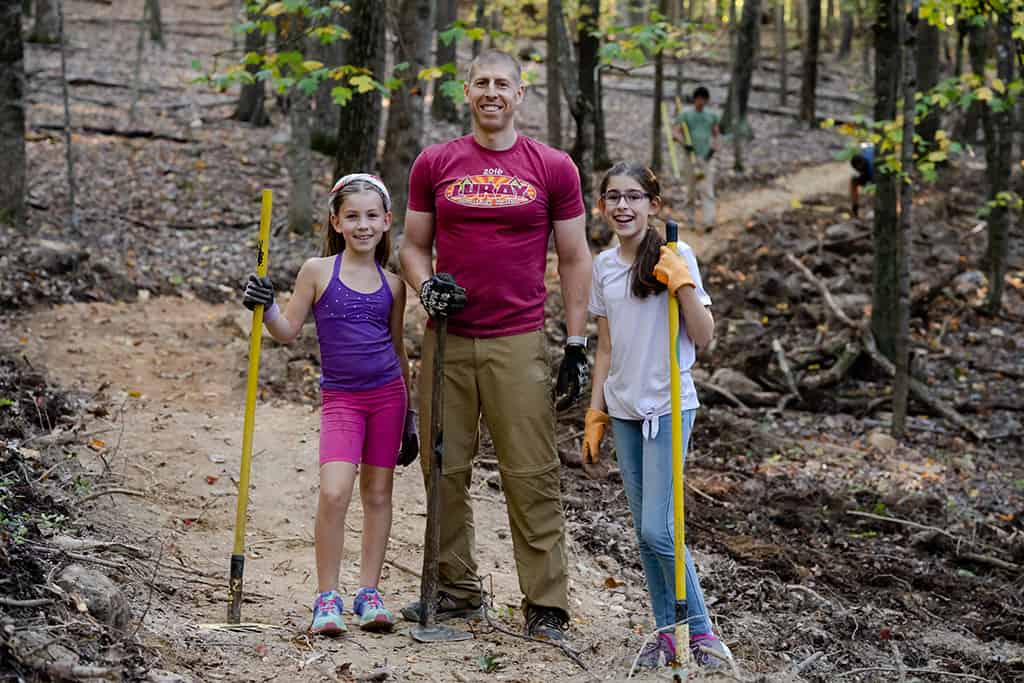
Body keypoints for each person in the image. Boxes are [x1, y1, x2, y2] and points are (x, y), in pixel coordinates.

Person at [399, 49, 592, 642]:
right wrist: (425, 286)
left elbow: (576, 255)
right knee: (444, 467)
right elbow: (411, 247)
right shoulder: (435, 163)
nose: (491, 92)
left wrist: (577, 342)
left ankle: (546, 604)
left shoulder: (554, 166)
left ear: (520, 93)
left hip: (518, 339)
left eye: (502, 83)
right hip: (448, 339)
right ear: (466, 91)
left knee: (530, 472)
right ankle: (455, 592)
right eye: (481, 82)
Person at [242, 174, 418, 636]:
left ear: (387, 222)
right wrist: (266, 306)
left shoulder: (395, 284)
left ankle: (369, 593)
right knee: (335, 491)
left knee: (378, 495)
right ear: (336, 221)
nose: (363, 225)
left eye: (372, 216)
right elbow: (286, 331)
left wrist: (411, 417)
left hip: (388, 397)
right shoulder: (318, 271)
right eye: (353, 216)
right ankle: (327, 597)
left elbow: (399, 351)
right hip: (342, 398)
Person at [581, 162, 733, 670]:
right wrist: (595, 412)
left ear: (653, 204)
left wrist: (683, 284)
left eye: (633, 197)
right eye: (612, 197)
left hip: (669, 405)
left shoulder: (676, 253)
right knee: (646, 533)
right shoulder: (603, 266)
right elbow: (605, 348)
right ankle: (667, 631)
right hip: (623, 409)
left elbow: (705, 336)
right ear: (601, 206)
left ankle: (703, 632)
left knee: (659, 530)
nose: (622, 206)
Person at [674, 86, 720, 232]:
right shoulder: (685, 114)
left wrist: (713, 148)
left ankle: (709, 221)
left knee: (707, 189)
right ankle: (690, 220)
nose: (701, 101)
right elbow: (676, 132)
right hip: (690, 158)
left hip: (706, 158)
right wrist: (684, 143)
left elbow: (716, 134)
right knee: (691, 191)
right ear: (694, 99)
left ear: (706, 100)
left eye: (703, 99)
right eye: (698, 98)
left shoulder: (711, 116)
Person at [849, 143, 875, 218]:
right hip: (868, 172)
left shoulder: (871, 168)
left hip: (878, 175)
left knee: (874, 188)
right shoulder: (863, 152)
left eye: (859, 169)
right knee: (853, 181)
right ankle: (855, 208)